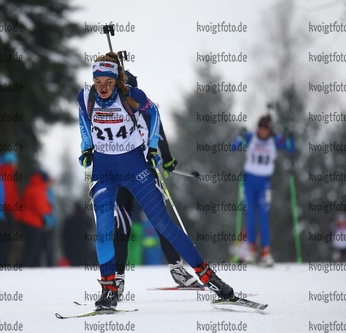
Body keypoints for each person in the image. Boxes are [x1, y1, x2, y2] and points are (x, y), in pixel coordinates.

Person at [78, 52, 235, 310]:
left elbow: (155, 116)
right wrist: (86, 147)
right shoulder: (86, 98)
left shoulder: (132, 96)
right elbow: (83, 120)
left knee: (164, 225)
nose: (103, 88)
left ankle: (209, 277)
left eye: (107, 82)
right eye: (98, 82)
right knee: (106, 229)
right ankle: (109, 290)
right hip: (104, 170)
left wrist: (153, 149)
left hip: (134, 168)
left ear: (116, 79)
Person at [112, 71, 201, 297]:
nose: (127, 97)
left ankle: (177, 270)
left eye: (130, 92)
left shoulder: (148, 110)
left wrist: (167, 160)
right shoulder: (112, 111)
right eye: (123, 92)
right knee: (122, 226)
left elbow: (160, 136)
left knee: (162, 223)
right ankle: (117, 279)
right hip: (121, 177)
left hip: (145, 176)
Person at [232, 115, 295, 267]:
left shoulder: (275, 139)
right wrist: (239, 136)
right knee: (250, 217)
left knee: (263, 218)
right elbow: (234, 146)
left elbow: (291, 148)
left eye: (266, 129)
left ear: (270, 129)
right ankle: (251, 251)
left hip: (264, 183)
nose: (263, 131)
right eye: (261, 128)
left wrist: (289, 136)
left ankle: (266, 253)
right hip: (249, 182)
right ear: (258, 128)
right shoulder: (250, 136)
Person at [17, 170, 52, 267]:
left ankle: (27, 266)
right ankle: (27, 266)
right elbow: (41, 208)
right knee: (32, 248)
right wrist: (49, 208)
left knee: (29, 246)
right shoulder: (39, 189)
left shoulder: (30, 186)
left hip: (24, 220)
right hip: (33, 222)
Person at [0, 152, 21, 264]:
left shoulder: (0, 172)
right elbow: (9, 196)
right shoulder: (8, 174)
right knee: (6, 242)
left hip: (1, 213)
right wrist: (15, 213)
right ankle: (3, 264)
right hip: (7, 213)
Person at [62, 202, 97, 266]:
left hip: (72, 252)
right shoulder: (87, 220)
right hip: (85, 251)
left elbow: (64, 237)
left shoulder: (69, 221)